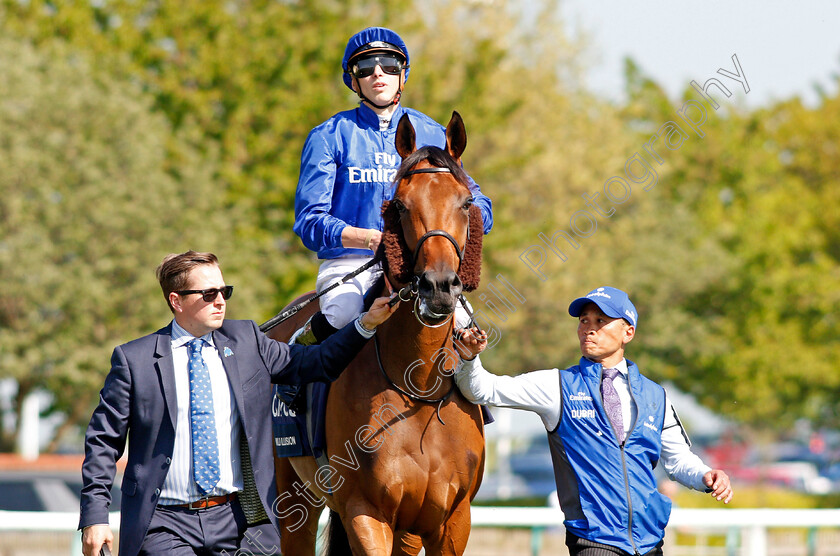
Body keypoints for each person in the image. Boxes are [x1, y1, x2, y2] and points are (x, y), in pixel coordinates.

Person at [79, 251, 398, 556]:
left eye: (224, 291)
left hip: (239, 521)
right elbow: (103, 441)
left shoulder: (247, 340)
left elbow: (317, 363)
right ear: (176, 301)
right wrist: (95, 516)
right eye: (207, 294)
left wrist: (365, 324)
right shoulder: (134, 360)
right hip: (164, 524)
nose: (219, 301)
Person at [453, 286, 733, 556]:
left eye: (601, 320)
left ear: (628, 332)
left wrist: (705, 477)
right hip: (593, 540)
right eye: (584, 320)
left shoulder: (656, 396)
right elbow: (481, 389)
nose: (590, 327)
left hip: (650, 542)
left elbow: (679, 460)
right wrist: (469, 357)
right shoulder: (556, 385)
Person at [292, 26, 493, 344]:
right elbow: (309, 222)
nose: (378, 73)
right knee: (341, 314)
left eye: (389, 64)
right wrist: (370, 239)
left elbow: (478, 201)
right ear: (354, 79)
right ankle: (291, 377)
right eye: (366, 67)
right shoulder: (328, 136)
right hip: (351, 263)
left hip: (423, 266)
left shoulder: (435, 134)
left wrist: (458, 223)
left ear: (403, 74)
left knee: (468, 331)